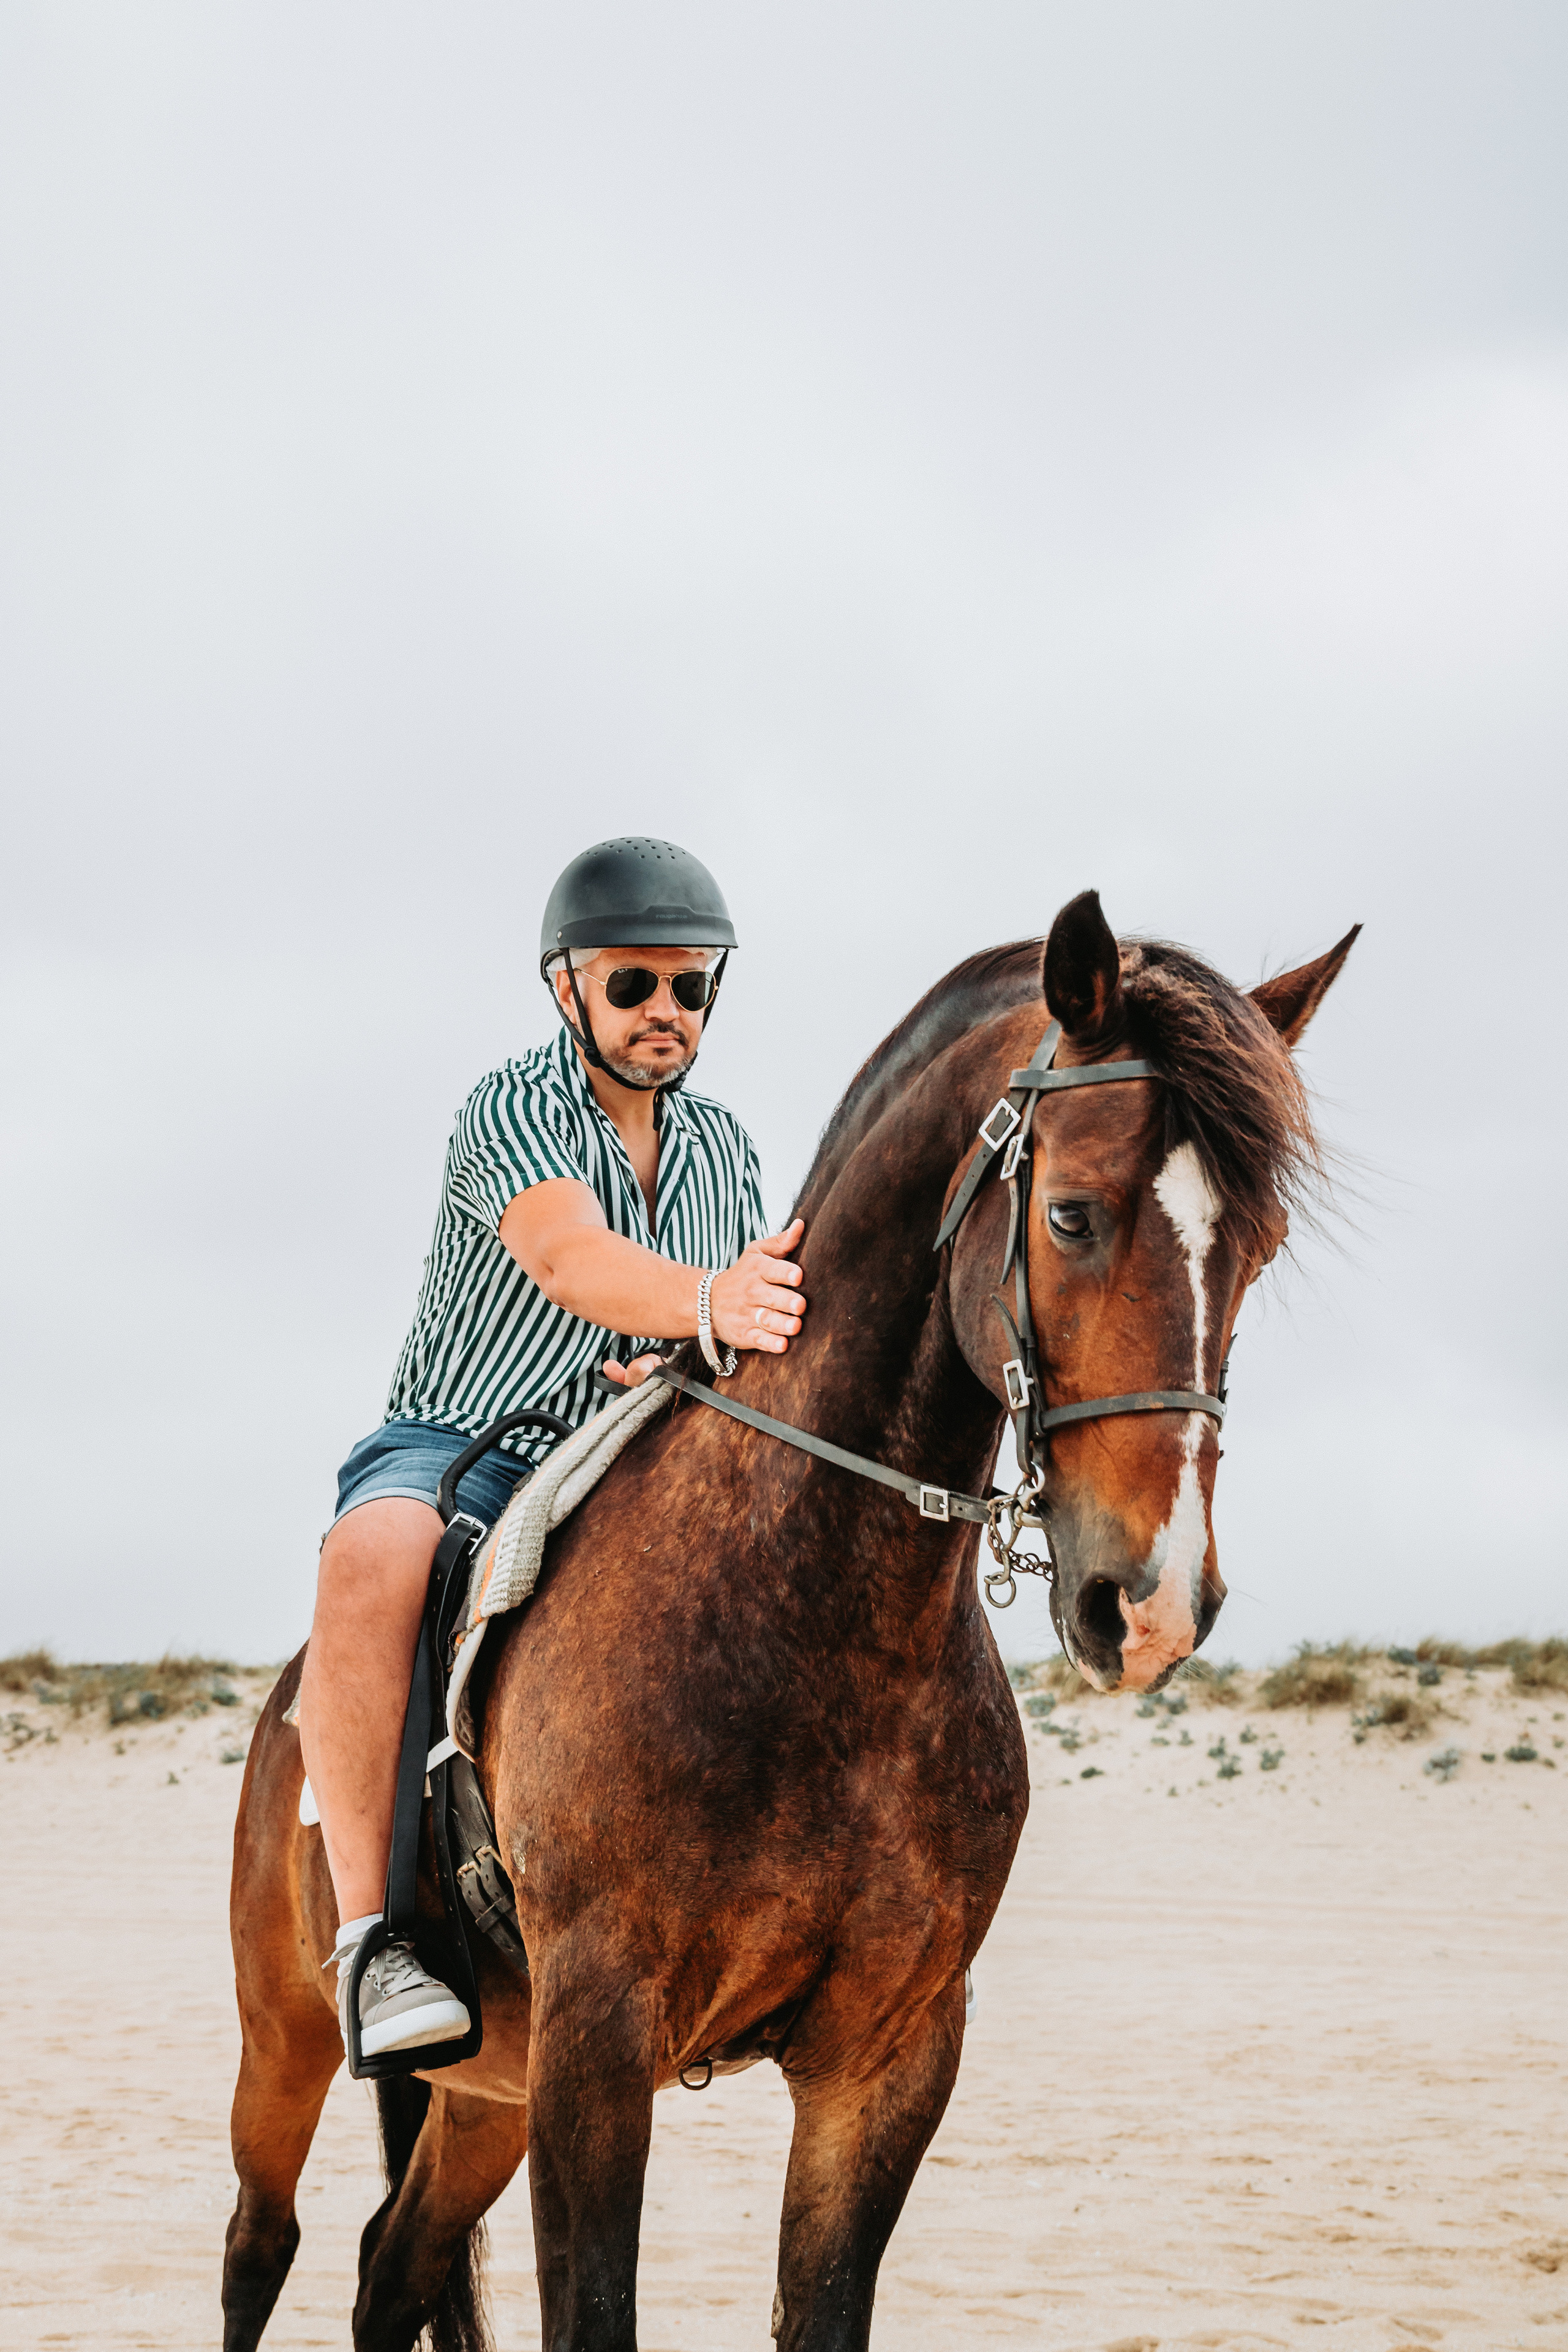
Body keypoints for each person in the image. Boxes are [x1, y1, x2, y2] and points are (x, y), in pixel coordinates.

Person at [298, 837, 808, 2061]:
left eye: (690, 985)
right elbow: (572, 1258)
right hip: (468, 1439)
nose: (664, 1010)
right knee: (374, 1551)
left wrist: (687, 1355)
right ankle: (373, 1941)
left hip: (637, 1446)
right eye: (632, 984)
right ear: (566, 986)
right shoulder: (513, 1107)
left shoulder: (727, 1146)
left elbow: (721, 1333)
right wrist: (705, 1303)